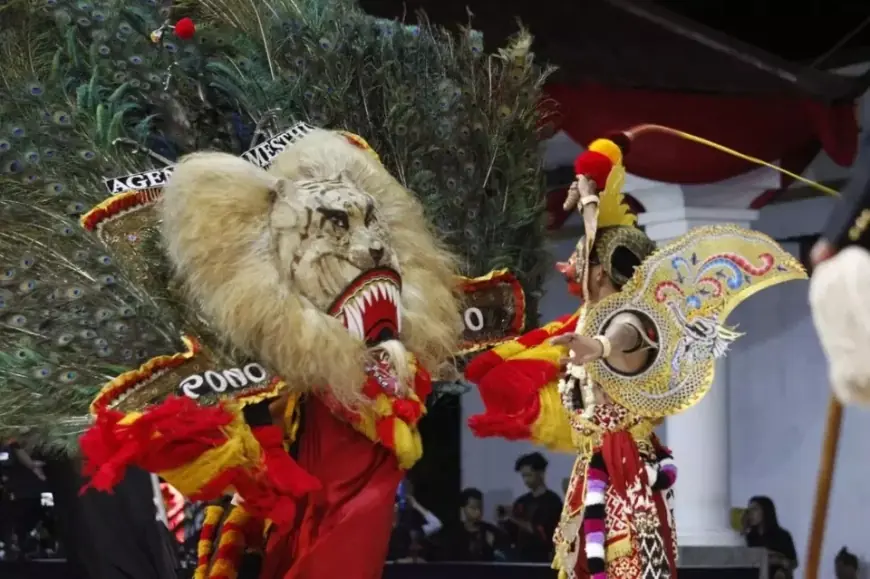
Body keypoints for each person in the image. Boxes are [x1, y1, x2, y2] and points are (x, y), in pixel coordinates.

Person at [464, 129, 805, 579]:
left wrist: (598, 347)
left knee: (627, 568)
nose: (570, 265)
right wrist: (594, 186)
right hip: (595, 467)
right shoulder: (585, 319)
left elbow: (625, 337)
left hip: (626, 475)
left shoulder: (632, 322)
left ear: (601, 270)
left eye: (581, 256)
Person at [498, 452, 562, 562]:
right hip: (521, 561)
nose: (526, 480)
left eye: (529, 475)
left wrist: (512, 518)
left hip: (543, 561)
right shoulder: (521, 502)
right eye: (523, 476)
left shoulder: (553, 502)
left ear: (541, 473)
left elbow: (543, 533)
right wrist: (503, 521)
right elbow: (511, 534)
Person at [742, 496, 798, 579]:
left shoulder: (782, 535)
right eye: (749, 510)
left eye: (755, 509)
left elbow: (793, 562)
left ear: (765, 511)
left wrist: (779, 561)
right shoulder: (749, 537)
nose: (751, 514)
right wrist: (743, 529)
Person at [446, 487, 505, 562]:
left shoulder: (492, 532)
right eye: (473, 508)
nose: (478, 512)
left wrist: (490, 546)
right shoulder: (454, 534)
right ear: (463, 509)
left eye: (480, 507)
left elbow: (501, 561)